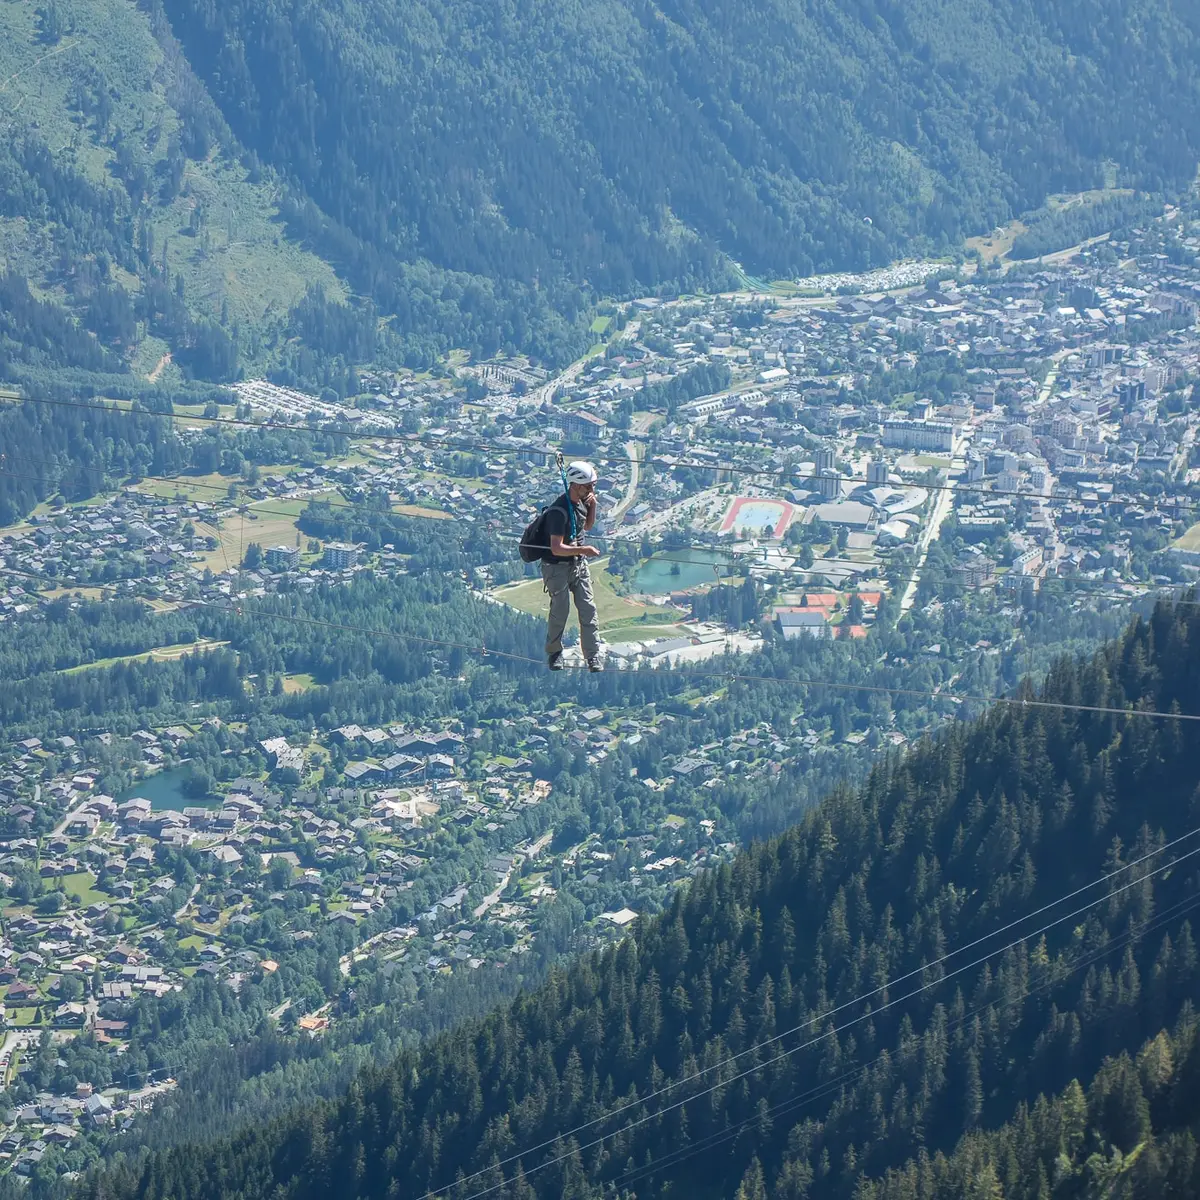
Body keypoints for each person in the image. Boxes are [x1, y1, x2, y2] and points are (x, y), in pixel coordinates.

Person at [540, 460, 602, 672]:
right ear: (576, 485)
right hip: (557, 566)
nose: (592, 490)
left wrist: (592, 505)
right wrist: (584, 550)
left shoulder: (581, 502)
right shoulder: (558, 511)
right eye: (588, 486)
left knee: (588, 608)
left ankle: (593, 656)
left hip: (577, 564)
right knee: (560, 609)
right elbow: (556, 548)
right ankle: (555, 653)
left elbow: (587, 525)